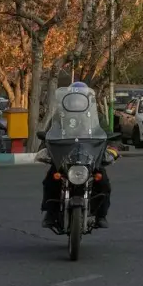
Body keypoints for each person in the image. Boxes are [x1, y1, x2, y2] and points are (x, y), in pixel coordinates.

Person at [38, 82, 115, 229]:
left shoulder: (96, 117)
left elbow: (107, 135)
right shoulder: (60, 116)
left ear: (87, 99)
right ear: (69, 99)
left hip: (89, 157)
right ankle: (50, 213)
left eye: (81, 98)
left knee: (103, 181)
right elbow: (50, 135)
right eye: (75, 99)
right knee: (50, 180)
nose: (77, 102)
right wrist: (46, 148)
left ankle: (101, 215)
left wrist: (112, 150)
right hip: (65, 157)